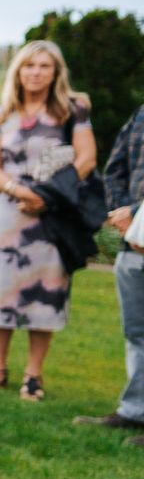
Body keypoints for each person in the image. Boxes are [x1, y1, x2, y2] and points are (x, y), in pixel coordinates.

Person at [0, 40, 98, 401]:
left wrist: (46, 197)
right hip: (9, 213)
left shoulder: (72, 111)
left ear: (56, 72)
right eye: (30, 66)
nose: (36, 73)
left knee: (48, 292)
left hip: (53, 213)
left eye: (45, 66)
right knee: (3, 289)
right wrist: (20, 191)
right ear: (18, 70)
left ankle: (34, 374)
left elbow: (86, 159)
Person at [75, 99, 144, 442]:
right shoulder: (142, 113)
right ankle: (135, 411)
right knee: (136, 332)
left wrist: (137, 211)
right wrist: (123, 215)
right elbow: (116, 166)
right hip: (132, 245)